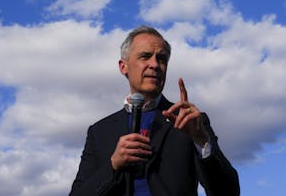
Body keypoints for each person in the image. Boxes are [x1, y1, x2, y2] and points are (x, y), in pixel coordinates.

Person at [70, 25, 239, 196]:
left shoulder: (189, 121)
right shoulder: (99, 132)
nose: (155, 65)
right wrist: (113, 164)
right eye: (145, 56)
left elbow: (229, 192)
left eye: (162, 59)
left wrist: (202, 142)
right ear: (123, 67)